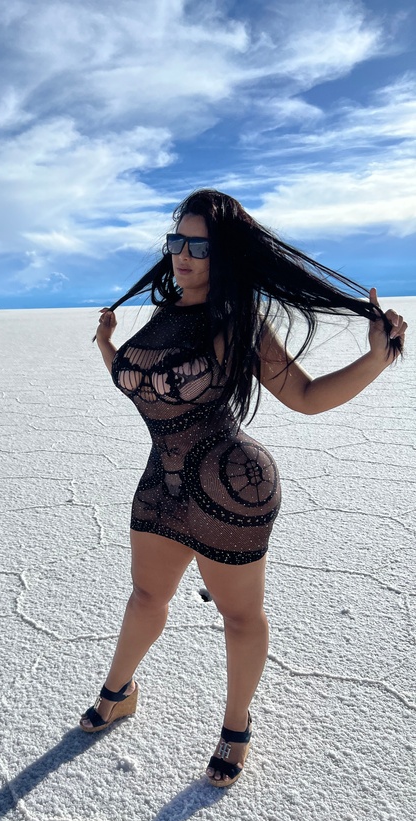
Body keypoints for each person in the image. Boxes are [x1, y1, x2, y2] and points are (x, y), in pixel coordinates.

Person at [78, 189, 407, 787]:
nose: (183, 255)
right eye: (177, 241)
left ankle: (237, 726)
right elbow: (150, 386)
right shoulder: (163, 315)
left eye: (199, 245)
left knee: (238, 615)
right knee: (146, 597)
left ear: (223, 253)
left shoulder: (236, 323)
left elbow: (305, 396)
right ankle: (118, 692)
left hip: (231, 488)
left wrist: (374, 361)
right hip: (161, 487)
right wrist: (108, 349)